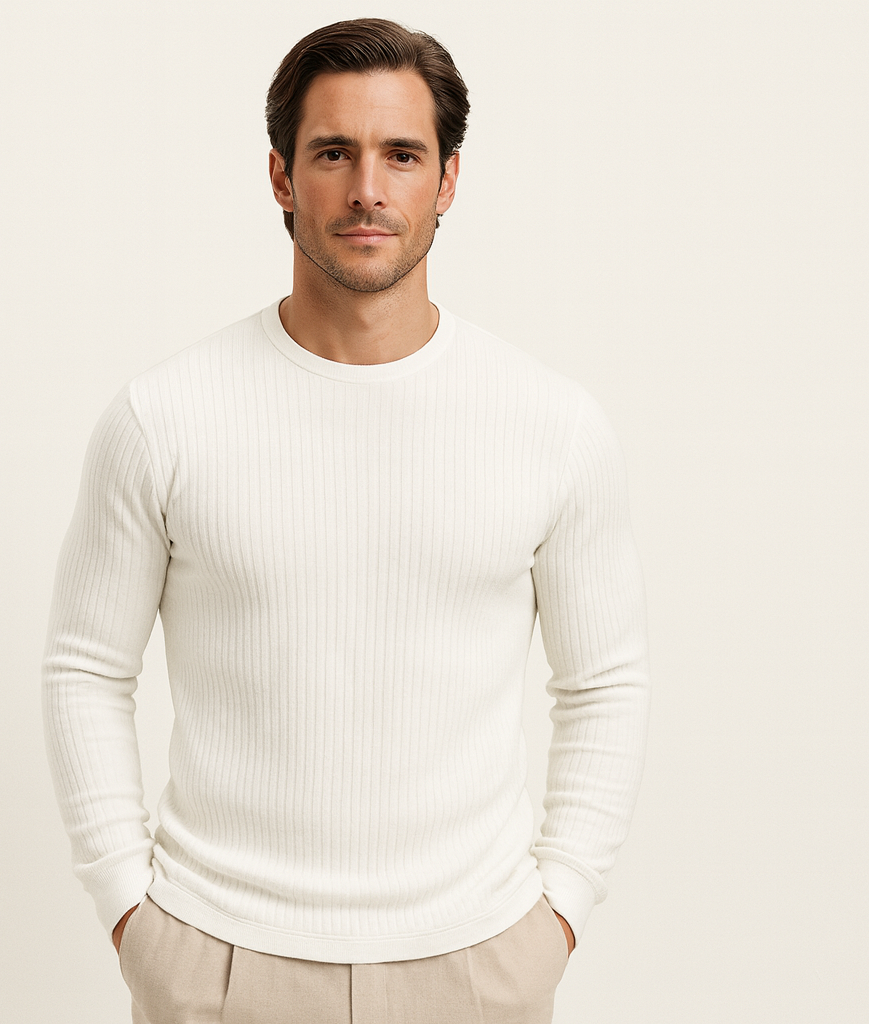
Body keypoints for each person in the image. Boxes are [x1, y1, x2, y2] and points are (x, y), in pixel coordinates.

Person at [43, 17, 649, 1024]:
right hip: (217, 960)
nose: (368, 188)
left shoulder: (550, 424)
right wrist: (130, 915)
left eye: (401, 154)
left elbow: (604, 682)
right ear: (281, 176)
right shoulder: (164, 417)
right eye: (333, 153)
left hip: (477, 963)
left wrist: (558, 915)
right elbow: (85, 667)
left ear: (448, 180)